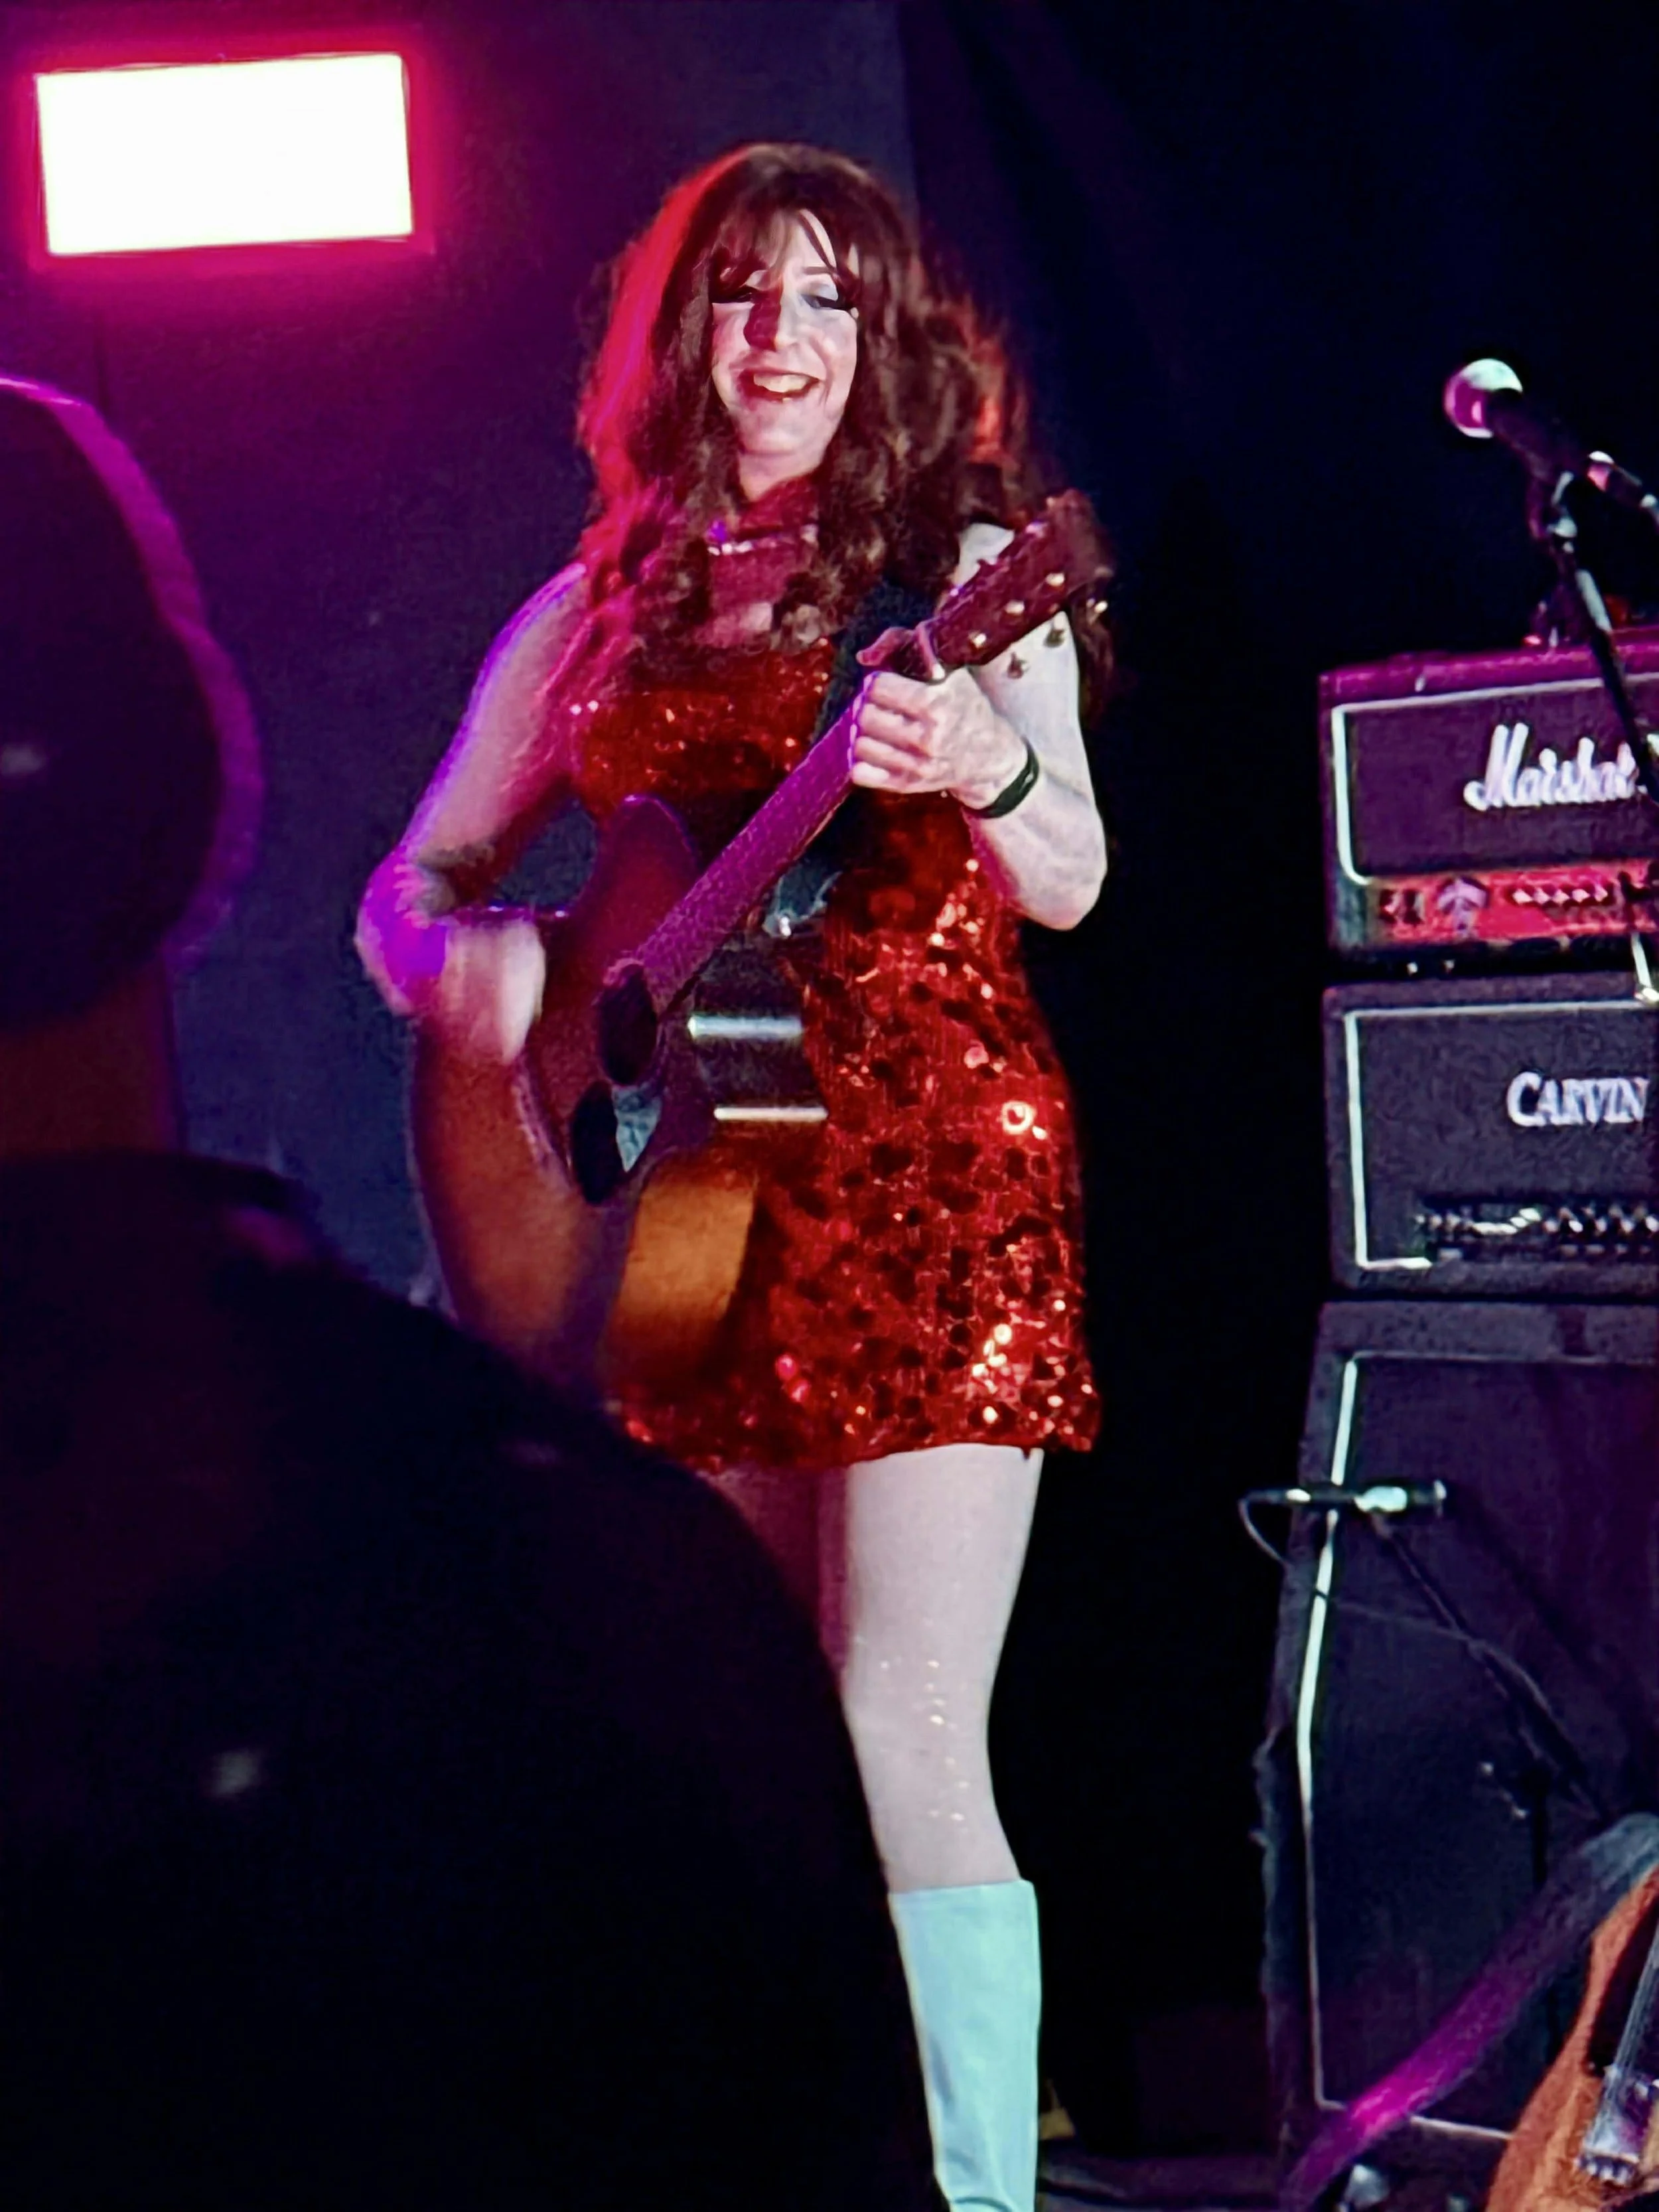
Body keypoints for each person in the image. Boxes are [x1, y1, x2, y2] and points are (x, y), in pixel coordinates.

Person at [0, 372, 941, 2209]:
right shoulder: (584, 1572)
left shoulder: (894, 606)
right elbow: (418, 890)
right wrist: (485, 973)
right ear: (193, 816)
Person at [358, 143, 1108, 2212]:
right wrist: (477, 968)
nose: (780, 337)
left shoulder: (961, 570)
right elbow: (411, 883)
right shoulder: (601, 602)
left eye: (827, 299)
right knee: (746, 1725)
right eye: (740, 291)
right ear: (677, 328)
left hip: (935, 1176)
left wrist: (984, 763)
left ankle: (969, 2188)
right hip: (693, 1206)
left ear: (884, 341)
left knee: (897, 1718)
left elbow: (1069, 873)